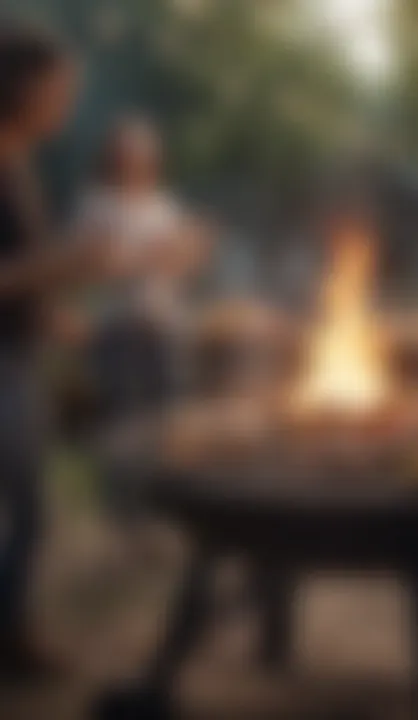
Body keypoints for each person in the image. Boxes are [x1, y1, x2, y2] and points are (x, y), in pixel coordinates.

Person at [0, 23, 113, 675]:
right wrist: (64, 267)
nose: (66, 98)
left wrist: (53, 318)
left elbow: (20, 274)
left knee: (27, 511)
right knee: (27, 512)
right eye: (57, 85)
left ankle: (12, 629)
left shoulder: (18, 163)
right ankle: (12, 634)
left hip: (16, 358)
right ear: (19, 86)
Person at [73, 117, 210, 519]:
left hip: (166, 325)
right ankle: (122, 512)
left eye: (146, 153)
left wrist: (193, 250)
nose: (137, 161)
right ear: (114, 157)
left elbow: (182, 265)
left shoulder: (163, 204)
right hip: (119, 328)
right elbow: (94, 266)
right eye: (129, 153)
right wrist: (156, 256)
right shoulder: (96, 204)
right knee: (125, 423)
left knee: (169, 419)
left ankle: (161, 504)